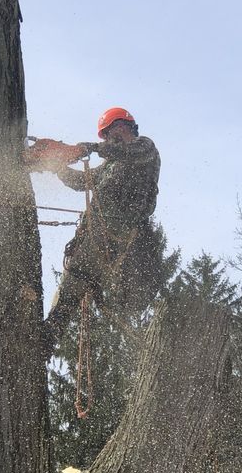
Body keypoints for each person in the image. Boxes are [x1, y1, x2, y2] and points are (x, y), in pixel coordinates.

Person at [44, 107, 161, 354]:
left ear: (126, 126)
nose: (109, 137)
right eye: (105, 134)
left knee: (84, 279)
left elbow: (126, 152)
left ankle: (50, 332)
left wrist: (91, 148)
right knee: (74, 279)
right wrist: (57, 167)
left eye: (112, 131)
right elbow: (83, 182)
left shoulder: (144, 148)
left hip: (125, 231)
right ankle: (49, 334)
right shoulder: (110, 165)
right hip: (99, 232)